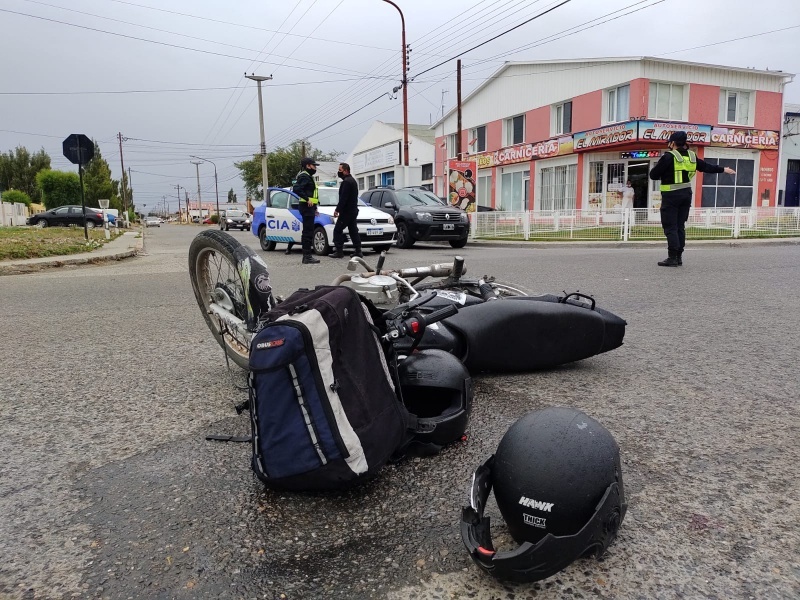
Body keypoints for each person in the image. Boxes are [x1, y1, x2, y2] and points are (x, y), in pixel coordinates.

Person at [649, 131, 735, 267]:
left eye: (669, 143)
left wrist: (665, 173)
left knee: (670, 226)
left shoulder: (669, 157)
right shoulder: (692, 156)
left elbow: (653, 175)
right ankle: (678, 257)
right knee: (680, 226)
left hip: (671, 197)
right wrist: (723, 169)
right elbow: (706, 167)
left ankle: (672, 258)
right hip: (686, 195)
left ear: (672, 143)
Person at [329, 162, 362, 259]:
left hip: (347, 212)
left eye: (340, 170)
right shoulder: (353, 181)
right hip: (353, 210)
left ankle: (339, 252)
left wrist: (337, 210)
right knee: (353, 230)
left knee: (337, 230)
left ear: (346, 171)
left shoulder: (347, 182)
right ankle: (358, 251)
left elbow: (344, 198)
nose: (338, 172)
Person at [292, 157, 321, 264]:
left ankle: (307, 255)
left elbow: (311, 193)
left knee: (309, 231)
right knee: (307, 232)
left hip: (309, 207)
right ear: (308, 166)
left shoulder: (308, 176)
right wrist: (307, 199)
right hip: (306, 206)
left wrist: (314, 207)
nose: (315, 168)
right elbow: (296, 188)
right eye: (314, 165)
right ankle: (307, 256)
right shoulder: (304, 176)